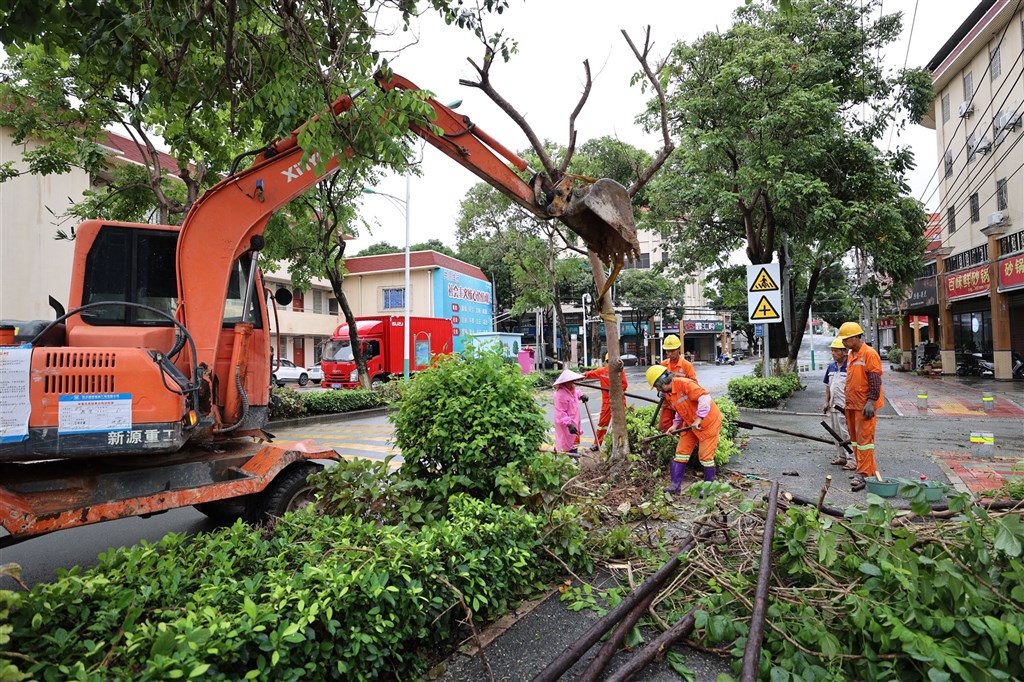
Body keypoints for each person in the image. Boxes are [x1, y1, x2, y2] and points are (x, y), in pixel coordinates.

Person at [646, 365, 722, 493]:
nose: (658, 390)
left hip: (708, 422)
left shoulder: (685, 384)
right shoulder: (669, 394)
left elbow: (705, 398)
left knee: (705, 456)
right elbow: (679, 409)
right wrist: (675, 425)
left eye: (657, 387)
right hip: (690, 423)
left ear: (662, 384)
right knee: (681, 453)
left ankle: (709, 488)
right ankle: (675, 486)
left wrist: (699, 418)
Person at [838, 322, 884, 492]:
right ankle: (863, 469)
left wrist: (871, 401)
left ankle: (864, 473)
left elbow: (874, 379)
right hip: (852, 404)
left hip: (864, 406)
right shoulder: (851, 354)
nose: (843, 343)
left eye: (846, 339)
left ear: (856, 338)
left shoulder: (869, 354)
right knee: (857, 441)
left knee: (865, 441)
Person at [583, 354, 627, 449]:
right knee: (602, 424)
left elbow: (624, 385)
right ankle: (597, 444)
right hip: (610, 401)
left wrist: (615, 391)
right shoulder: (605, 371)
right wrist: (581, 376)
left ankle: (621, 444)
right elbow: (590, 374)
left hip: (618, 400)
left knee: (623, 422)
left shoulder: (618, 372)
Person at [822, 337, 853, 470]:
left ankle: (852, 459)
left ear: (845, 352)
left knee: (847, 433)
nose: (833, 353)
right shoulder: (831, 367)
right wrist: (826, 401)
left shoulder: (851, 366)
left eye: (836, 351)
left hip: (846, 406)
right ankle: (841, 457)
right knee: (836, 433)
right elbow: (828, 386)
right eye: (832, 351)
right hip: (834, 406)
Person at [658, 335, 697, 433]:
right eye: (667, 351)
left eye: (672, 351)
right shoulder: (663, 365)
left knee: (681, 428)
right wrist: (660, 392)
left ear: (679, 349)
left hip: (681, 403)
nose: (669, 354)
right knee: (664, 426)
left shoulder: (687, 366)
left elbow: (694, 384)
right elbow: (658, 382)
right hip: (667, 403)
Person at [552, 369, 587, 458]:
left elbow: (576, 394)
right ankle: (567, 462)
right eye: (570, 381)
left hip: (574, 422)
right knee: (565, 445)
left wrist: (581, 395)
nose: (572, 382)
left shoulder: (571, 389)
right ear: (565, 382)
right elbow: (560, 412)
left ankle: (574, 461)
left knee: (573, 443)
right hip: (565, 425)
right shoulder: (560, 394)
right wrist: (568, 424)